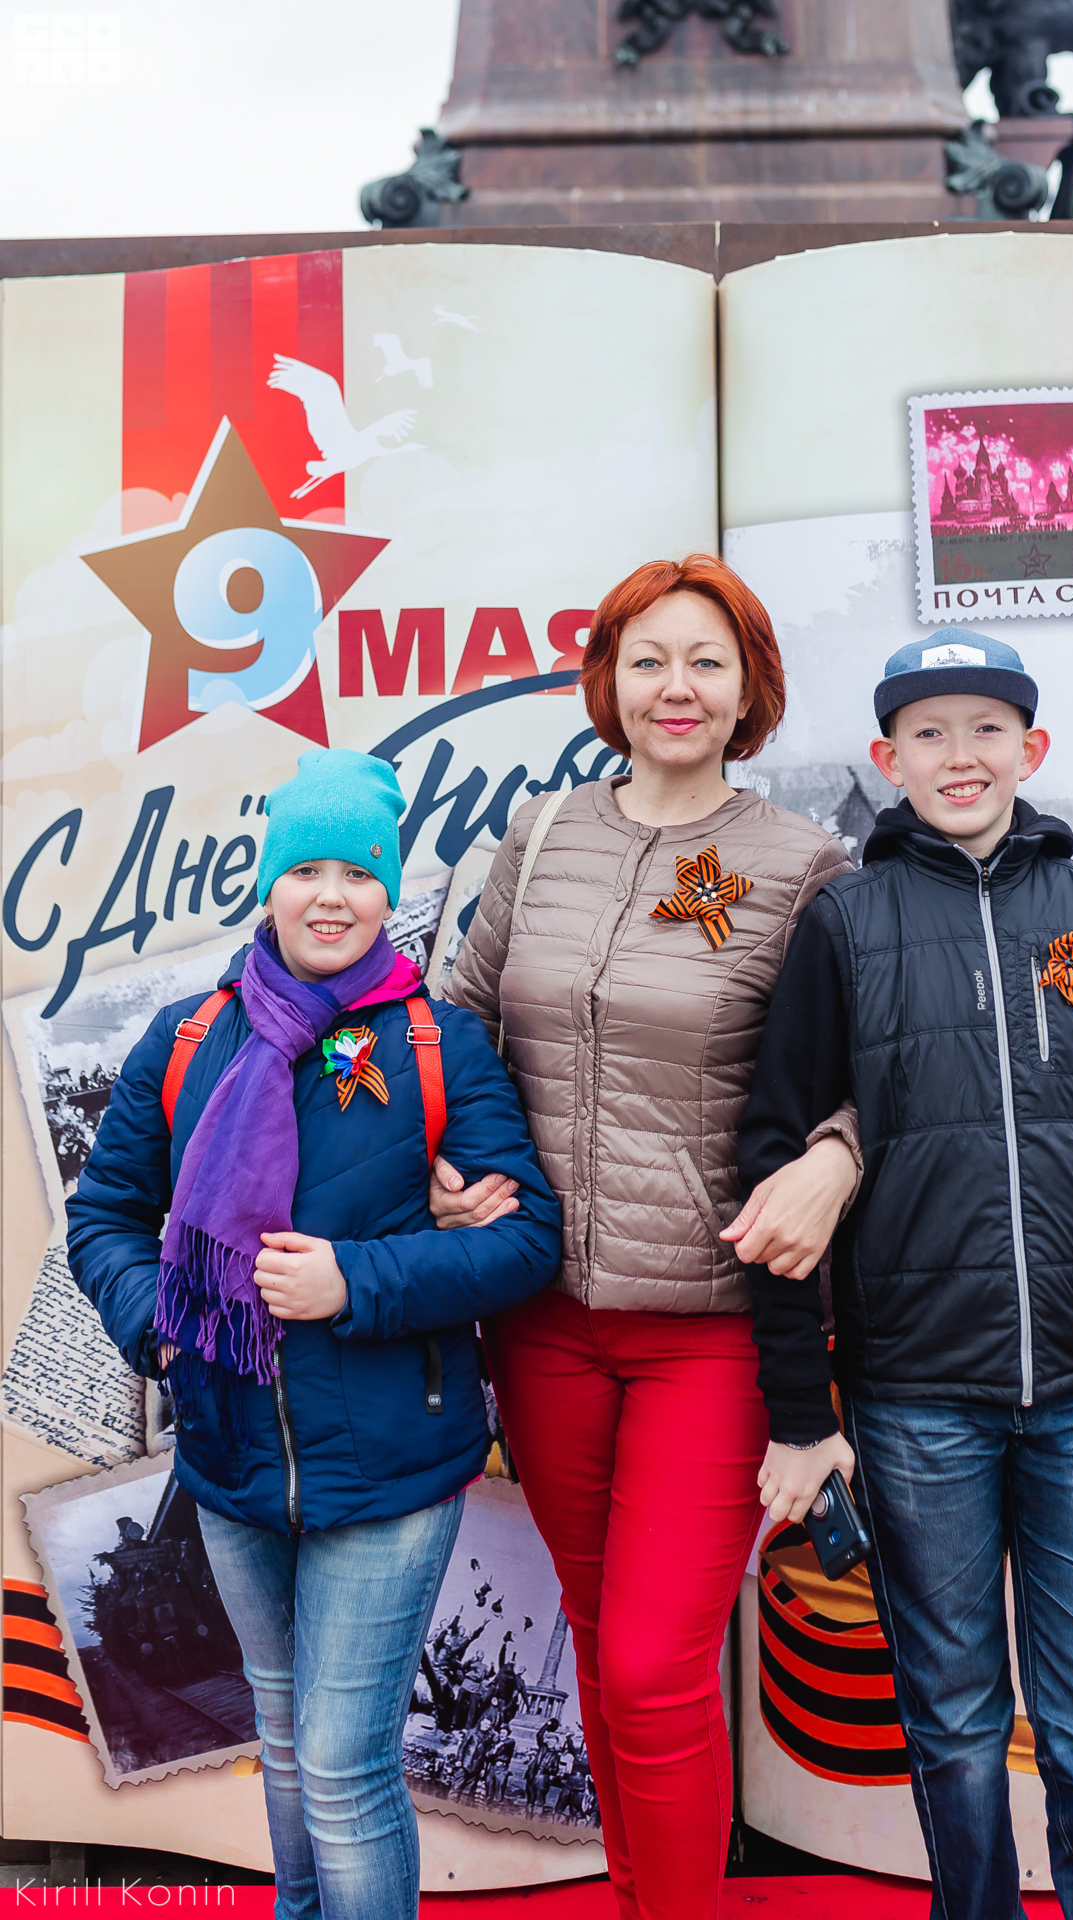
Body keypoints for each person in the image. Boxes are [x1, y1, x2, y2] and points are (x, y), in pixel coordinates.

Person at [431, 554, 862, 1920]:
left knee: (652, 1667)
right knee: (595, 1639)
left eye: (707, 662)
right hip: (539, 1315)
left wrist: (838, 1157)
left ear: (749, 692)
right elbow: (458, 1024)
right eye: (649, 659)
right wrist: (446, 1158)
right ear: (608, 682)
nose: (677, 687)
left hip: (712, 1331)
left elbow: (879, 1064)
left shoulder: (802, 867)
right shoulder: (541, 835)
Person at [740, 631, 1073, 1920]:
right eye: (927, 733)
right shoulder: (845, 923)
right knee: (949, 1725)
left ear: (1028, 750)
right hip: (914, 1402)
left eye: (985, 728)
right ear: (884, 759)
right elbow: (771, 1166)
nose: (959, 755)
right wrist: (802, 1412)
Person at [67, 748, 561, 1920]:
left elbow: (523, 1241)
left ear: (389, 893)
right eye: (306, 870)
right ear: (269, 884)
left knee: (341, 1763)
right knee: (285, 1736)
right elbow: (105, 1214)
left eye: (357, 873)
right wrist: (157, 1320)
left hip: (389, 1463)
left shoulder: (438, 1046)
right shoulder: (187, 1040)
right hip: (231, 1456)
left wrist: (354, 1282)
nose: (330, 897)